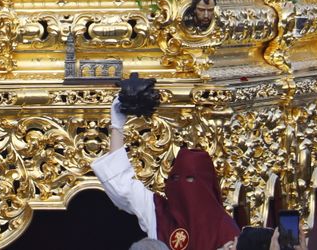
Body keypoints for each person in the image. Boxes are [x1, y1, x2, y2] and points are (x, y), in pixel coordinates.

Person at [92, 98, 239, 250]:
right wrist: (117, 125)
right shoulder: (159, 212)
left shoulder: (225, 229)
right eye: (175, 178)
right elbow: (121, 184)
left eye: (190, 179)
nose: (183, 186)